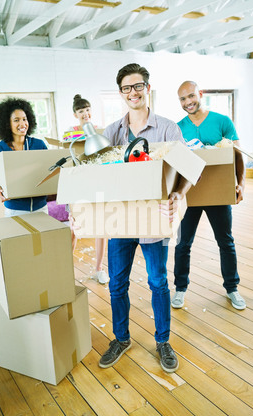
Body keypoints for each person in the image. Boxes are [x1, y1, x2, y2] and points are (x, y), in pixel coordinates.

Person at [98, 63, 192, 373]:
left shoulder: (167, 128)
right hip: (120, 219)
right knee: (117, 285)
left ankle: (163, 341)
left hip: (153, 219)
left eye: (138, 86)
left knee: (158, 282)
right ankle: (121, 338)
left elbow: (188, 168)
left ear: (147, 88)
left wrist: (179, 193)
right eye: (126, 88)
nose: (133, 92)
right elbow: (88, 173)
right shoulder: (112, 132)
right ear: (121, 93)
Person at [172, 80, 246, 311]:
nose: (188, 102)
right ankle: (180, 288)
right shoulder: (178, 128)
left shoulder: (222, 121)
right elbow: (174, 165)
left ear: (200, 94)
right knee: (183, 243)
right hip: (190, 194)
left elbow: (237, 155)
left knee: (226, 241)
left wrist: (241, 184)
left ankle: (232, 288)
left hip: (218, 193)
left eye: (191, 96)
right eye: (183, 99)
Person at [0, 97, 48, 216]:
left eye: (24, 119)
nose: (22, 124)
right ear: (7, 124)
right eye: (16, 120)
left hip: (41, 208)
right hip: (15, 210)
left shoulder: (39, 145)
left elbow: (50, 171)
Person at [68, 94, 109, 285]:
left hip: (99, 183)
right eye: (80, 111)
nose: (84, 114)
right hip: (78, 185)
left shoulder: (99, 131)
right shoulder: (71, 134)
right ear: (75, 114)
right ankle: (66, 268)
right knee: (74, 227)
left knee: (102, 228)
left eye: (86, 110)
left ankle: (99, 269)